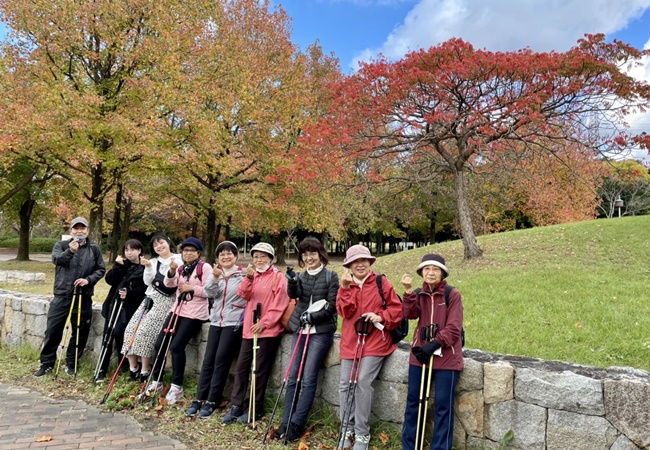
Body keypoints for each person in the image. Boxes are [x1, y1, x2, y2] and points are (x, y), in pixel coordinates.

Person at [337, 244, 403, 450]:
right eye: (355, 261)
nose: (360, 264)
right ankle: (346, 430)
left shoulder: (381, 282)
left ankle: (362, 434)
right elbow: (345, 312)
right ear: (349, 265)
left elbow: (396, 309)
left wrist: (380, 316)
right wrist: (345, 289)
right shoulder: (346, 285)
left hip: (375, 341)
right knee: (345, 384)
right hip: (351, 341)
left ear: (369, 262)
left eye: (363, 260)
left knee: (363, 381)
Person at [273, 237, 339, 442]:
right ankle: (286, 421)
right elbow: (295, 295)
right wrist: (292, 281)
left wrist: (313, 317)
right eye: (305, 254)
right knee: (292, 377)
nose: (309, 257)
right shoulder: (301, 276)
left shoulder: (331, 275)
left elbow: (332, 305)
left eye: (312, 253)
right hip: (300, 329)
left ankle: (297, 423)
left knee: (309, 378)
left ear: (320, 254)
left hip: (320, 331)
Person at [400, 254, 464, 450]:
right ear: (421, 272)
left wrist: (435, 343)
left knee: (443, 406)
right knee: (413, 403)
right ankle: (409, 446)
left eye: (435, 269)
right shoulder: (419, 293)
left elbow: (454, 328)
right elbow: (409, 314)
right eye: (426, 269)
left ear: (442, 273)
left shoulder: (452, 294)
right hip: (420, 356)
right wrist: (409, 292)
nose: (430, 272)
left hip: (447, 357)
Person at [222, 242, 289, 424]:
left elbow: (280, 303)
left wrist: (265, 322)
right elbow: (242, 294)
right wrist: (248, 279)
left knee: (258, 370)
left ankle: (255, 408)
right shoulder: (252, 275)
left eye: (263, 256)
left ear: (271, 258)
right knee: (242, 368)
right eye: (256, 256)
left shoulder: (278, 277)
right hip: (249, 330)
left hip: (267, 331)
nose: (259, 260)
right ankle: (236, 405)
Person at [34, 217, 106, 377]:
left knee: (80, 332)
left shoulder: (94, 249)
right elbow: (57, 260)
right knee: (53, 331)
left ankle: (72, 363)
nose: (79, 231)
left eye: (83, 228)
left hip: (83, 296)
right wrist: (70, 251)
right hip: (62, 294)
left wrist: (88, 280)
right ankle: (46, 364)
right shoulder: (61, 245)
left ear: (87, 230)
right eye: (76, 228)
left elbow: (101, 269)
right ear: (70, 231)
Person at [145, 237, 211, 404]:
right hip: (177, 309)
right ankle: (157, 382)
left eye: (192, 250)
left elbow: (211, 290)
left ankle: (176, 386)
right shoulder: (181, 267)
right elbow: (169, 284)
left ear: (198, 253)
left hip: (195, 313)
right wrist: (172, 271)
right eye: (185, 250)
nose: (188, 253)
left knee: (176, 346)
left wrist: (192, 288)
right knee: (160, 344)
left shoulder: (205, 268)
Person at [185, 241, 246, 418]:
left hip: (233, 323)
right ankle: (199, 398)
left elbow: (246, 294)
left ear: (235, 256)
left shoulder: (242, 275)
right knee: (208, 360)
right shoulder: (216, 273)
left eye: (229, 254)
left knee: (221, 361)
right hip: (216, 321)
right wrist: (215, 277)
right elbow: (209, 293)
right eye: (221, 254)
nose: (225, 257)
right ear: (217, 258)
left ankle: (213, 400)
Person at [122, 234, 182, 382]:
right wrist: (148, 267)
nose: (159, 247)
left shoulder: (179, 259)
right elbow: (147, 281)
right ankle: (133, 368)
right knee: (130, 330)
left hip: (166, 300)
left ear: (168, 242)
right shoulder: (153, 261)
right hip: (149, 299)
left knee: (144, 332)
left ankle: (145, 370)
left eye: (161, 243)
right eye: (155, 245)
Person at [96, 239, 147, 382]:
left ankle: (124, 364)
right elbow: (110, 280)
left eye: (132, 250)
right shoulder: (122, 264)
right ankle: (102, 369)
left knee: (121, 334)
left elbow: (145, 288)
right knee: (108, 335)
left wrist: (130, 294)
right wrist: (117, 266)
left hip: (131, 308)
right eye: (127, 250)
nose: (129, 253)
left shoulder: (144, 266)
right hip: (114, 305)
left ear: (139, 251)